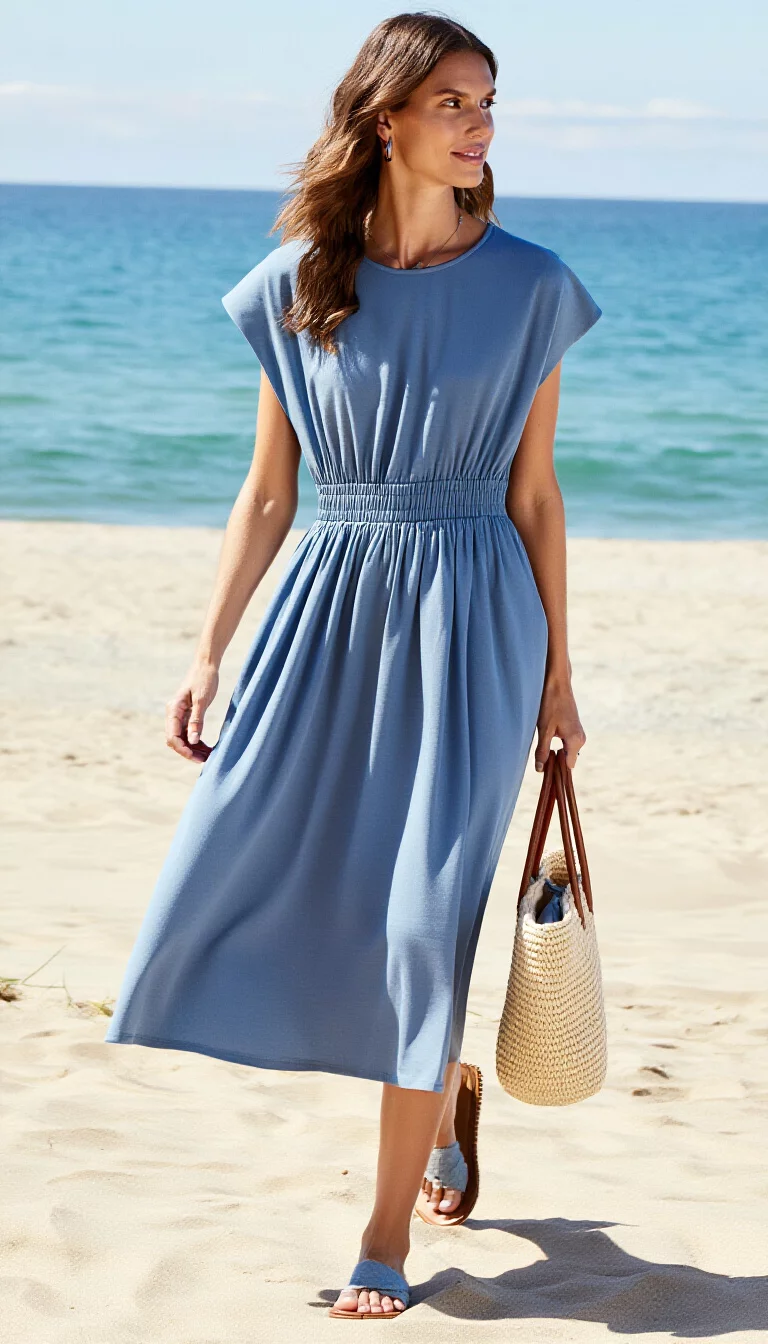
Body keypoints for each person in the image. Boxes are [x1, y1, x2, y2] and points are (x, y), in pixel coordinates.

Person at [104, 11, 601, 1319]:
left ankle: (385, 1239)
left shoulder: (535, 283)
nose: (481, 123)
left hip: (477, 614)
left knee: (426, 920)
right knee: (261, 879)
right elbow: (267, 495)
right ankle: (446, 1099)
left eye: (488, 100)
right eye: (453, 101)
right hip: (327, 612)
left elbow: (538, 498)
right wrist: (208, 649)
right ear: (388, 120)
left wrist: (558, 677)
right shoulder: (298, 283)